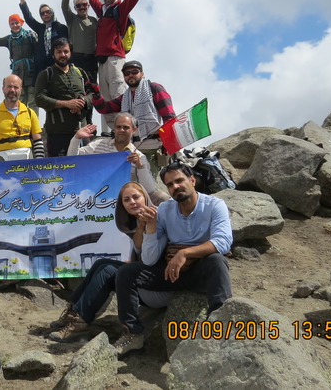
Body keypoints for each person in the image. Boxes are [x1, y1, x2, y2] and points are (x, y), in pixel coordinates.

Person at [113, 162, 233, 356]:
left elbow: (223, 242)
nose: (175, 187)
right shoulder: (165, 210)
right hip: (171, 273)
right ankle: (133, 333)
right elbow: (150, 260)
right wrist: (150, 227)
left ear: (192, 180)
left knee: (216, 261)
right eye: (169, 184)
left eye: (179, 180)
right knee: (126, 272)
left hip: (200, 271)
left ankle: (219, 326)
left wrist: (185, 253)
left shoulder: (214, 205)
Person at [48, 182, 173, 343]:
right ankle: (74, 313)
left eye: (136, 197)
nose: (132, 202)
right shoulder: (136, 223)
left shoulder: (157, 219)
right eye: (127, 200)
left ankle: (80, 323)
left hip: (160, 286)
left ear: (145, 197)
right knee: (102, 264)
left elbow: (150, 260)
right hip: (143, 277)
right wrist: (141, 227)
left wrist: (146, 226)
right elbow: (139, 254)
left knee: (107, 270)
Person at [77, 0, 150, 130]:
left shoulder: (120, 9)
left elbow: (132, 0)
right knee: (106, 96)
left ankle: (126, 127)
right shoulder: (102, 10)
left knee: (119, 93)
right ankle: (114, 130)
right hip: (102, 61)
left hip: (116, 58)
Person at [91, 59, 175, 177]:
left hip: (151, 147)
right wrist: (96, 96)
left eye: (134, 72)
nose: (130, 75)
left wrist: (167, 144)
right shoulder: (125, 97)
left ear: (142, 73)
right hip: (131, 148)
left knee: (148, 185)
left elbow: (170, 118)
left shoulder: (154, 88)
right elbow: (105, 108)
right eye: (126, 73)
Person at [68, 113, 170, 204]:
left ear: (134, 130)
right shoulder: (98, 145)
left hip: (126, 200)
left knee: (161, 197)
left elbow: (149, 190)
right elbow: (72, 160)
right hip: (97, 195)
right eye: (118, 127)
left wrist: (140, 166)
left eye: (125, 127)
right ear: (114, 129)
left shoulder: (138, 156)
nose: (121, 130)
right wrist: (77, 138)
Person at [35, 38, 92, 157]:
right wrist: (67, 104)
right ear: (53, 55)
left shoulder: (80, 73)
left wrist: (83, 101)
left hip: (82, 130)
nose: (63, 55)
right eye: (59, 52)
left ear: (71, 53)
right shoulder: (46, 74)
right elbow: (39, 98)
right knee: (59, 171)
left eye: (66, 51)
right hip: (58, 133)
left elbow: (93, 94)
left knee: (85, 170)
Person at [0, 75, 45, 162]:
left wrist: (40, 162)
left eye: (16, 87)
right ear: (3, 88)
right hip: (1, 160)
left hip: (26, 160)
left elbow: (37, 141)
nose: (12, 90)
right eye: (9, 86)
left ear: (20, 90)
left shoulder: (30, 113)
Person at [19, 0, 69, 77]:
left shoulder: (61, 27)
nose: (45, 14)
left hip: (57, 64)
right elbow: (29, 18)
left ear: (52, 12)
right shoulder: (41, 28)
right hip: (42, 66)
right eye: (42, 13)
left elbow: (66, 47)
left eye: (47, 12)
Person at [61, 0, 98, 86]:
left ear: (88, 6)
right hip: (76, 58)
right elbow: (64, 6)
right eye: (78, 6)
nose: (82, 7)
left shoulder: (94, 20)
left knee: (92, 88)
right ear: (75, 8)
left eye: (84, 4)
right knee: (77, 87)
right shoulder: (71, 19)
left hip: (92, 59)